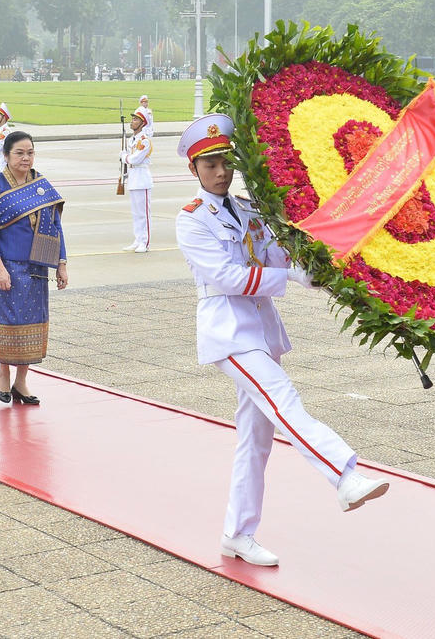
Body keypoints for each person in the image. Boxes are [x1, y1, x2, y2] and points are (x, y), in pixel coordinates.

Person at [175, 114, 388, 567]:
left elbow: (276, 254)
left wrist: (311, 265)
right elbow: (227, 277)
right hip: (230, 332)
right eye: (210, 165)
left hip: (262, 329)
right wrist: (289, 275)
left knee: (256, 440)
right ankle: (344, 475)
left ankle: (238, 534)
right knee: (283, 399)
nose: (221, 172)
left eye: (225, 162)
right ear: (194, 169)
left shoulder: (249, 209)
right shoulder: (191, 220)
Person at [0, 131, 67, 405]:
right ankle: (4, 372)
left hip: (38, 262)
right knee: (11, 321)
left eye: (30, 152)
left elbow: (56, 226)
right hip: (8, 264)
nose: (25, 158)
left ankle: (22, 380)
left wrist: (61, 263)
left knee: (34, 322)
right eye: (19, 153)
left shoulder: (41, 184)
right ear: (6, 155)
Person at [121, 110, 153, 253]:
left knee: (143, 214)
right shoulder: (131, 140)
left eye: (135, 119)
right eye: (133, 119)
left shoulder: (144, 140)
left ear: (142, 123)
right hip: (133, 177)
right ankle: (138, 239)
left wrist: (124, 157)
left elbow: (135, 159)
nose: (132, 121)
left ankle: (144, 242)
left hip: (142, 178)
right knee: (135, 213)